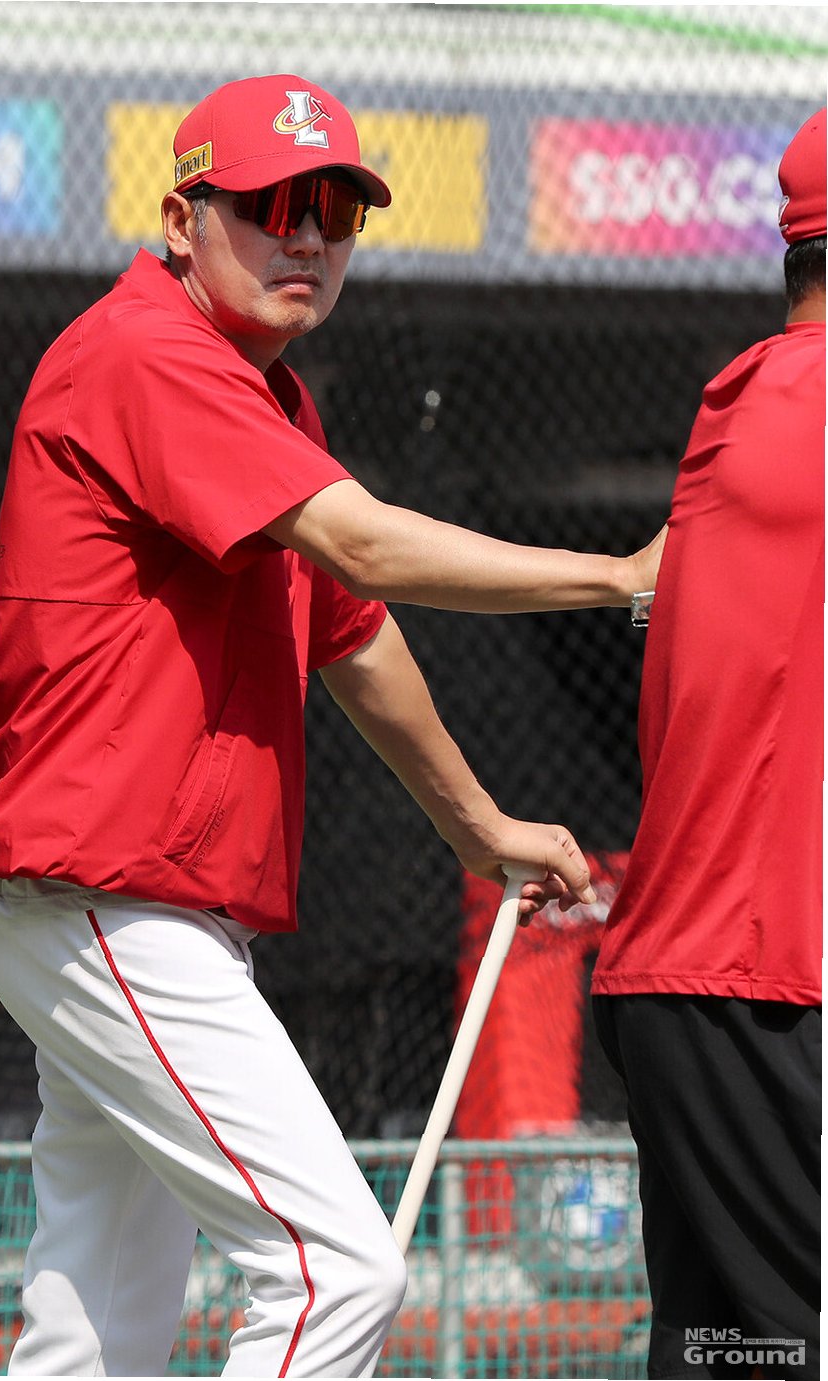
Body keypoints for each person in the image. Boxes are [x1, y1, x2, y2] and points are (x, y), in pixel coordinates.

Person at [0, 73, 663, 1378]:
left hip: (124, 913)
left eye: (336, 213)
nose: (309, 239)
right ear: (182, 220)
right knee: (336, 1271)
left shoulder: (264, 397)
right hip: (111, 904)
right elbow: (366, 547)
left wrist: (480, 828)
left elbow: (356, 636)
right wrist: (617, 574)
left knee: (94, 1340)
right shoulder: (146, 351)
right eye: (274, 205)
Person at [591, 107, 824, 1381]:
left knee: (735, 1360)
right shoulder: (798, 401)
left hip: (710, 987)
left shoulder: (751, 398)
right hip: (765, 992)